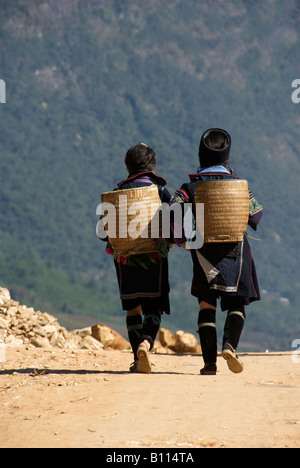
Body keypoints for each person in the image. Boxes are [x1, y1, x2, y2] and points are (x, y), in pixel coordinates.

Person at [169, 128, 263, 375]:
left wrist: (180, 239)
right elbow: (256, 215)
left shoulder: (190, 187)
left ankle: (209, 363)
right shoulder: (240, 187)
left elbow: (171, 212)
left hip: (202, 254)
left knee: (206, 305)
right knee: (236, 304)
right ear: (226, 157)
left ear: (201, 156)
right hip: (236, 251)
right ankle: (230, 345)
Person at [98, 143, 171, 373]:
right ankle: (146, 343)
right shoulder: (159, 191)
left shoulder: (115, 194)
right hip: (153, 260)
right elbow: (173, 223)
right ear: (151, 165)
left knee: (133, 309)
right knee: (154, 307)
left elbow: (103, 232)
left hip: (125, 261)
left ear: (128, 165)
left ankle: (137, 358)